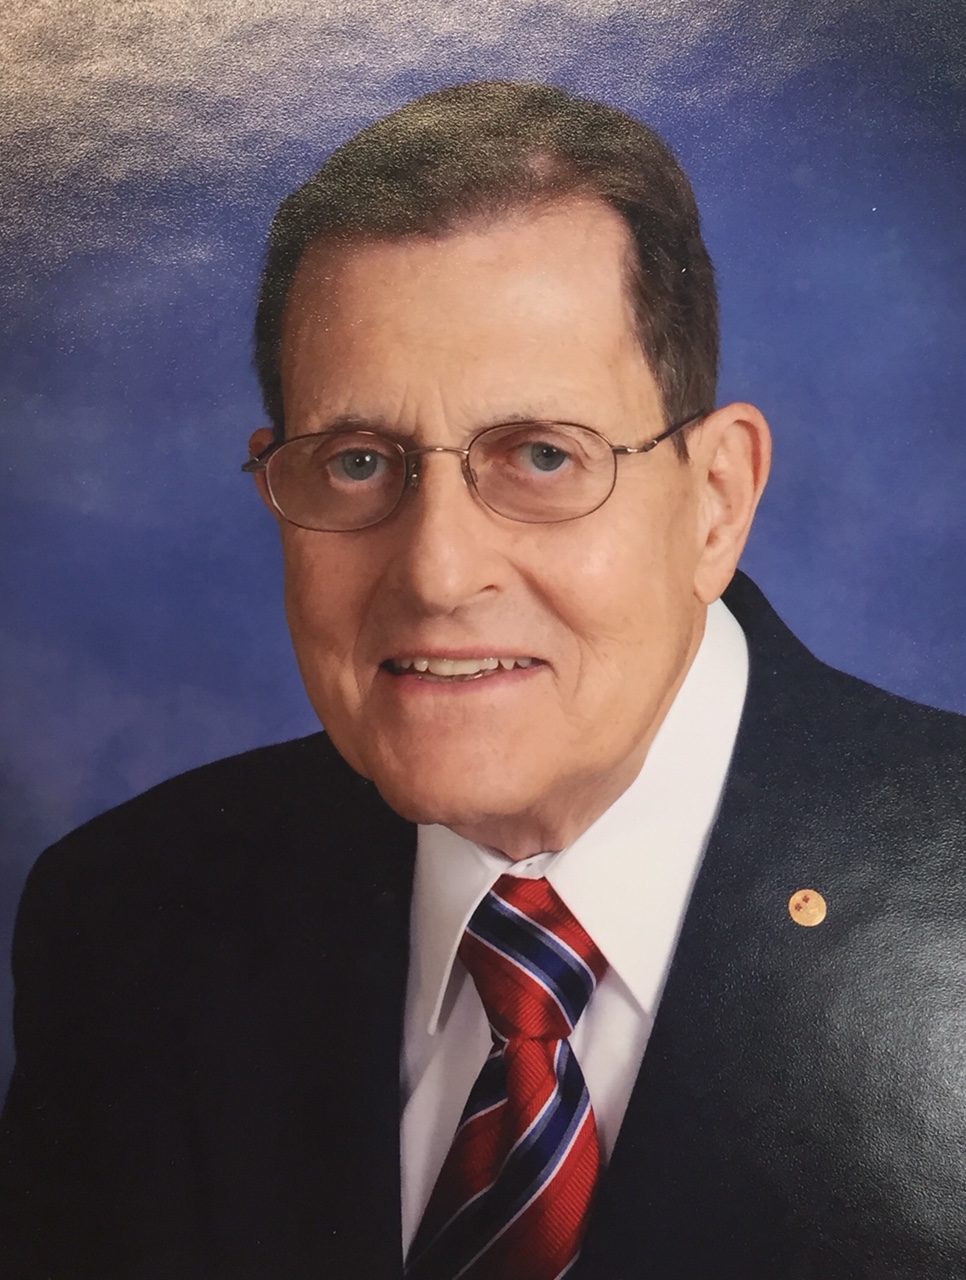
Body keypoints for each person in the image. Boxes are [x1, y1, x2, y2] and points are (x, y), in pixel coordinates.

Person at [1, 80, 964, 1279]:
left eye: (542, 455)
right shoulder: (128, 920)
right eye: (359, 461)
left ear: (716, 500)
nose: (439, 571)